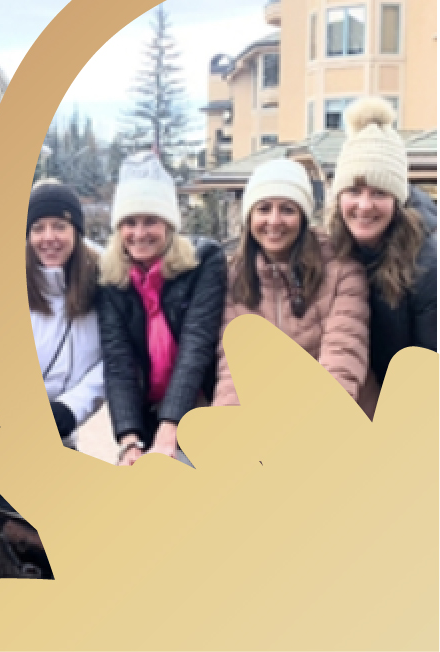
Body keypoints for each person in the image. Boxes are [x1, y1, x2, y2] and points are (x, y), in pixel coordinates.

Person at [0, 180, 106, 478]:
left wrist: (68, 410)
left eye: (59, 225)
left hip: (59, 440)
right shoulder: (5, 289)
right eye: (38, 228)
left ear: (77, 231)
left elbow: (109, 362)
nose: (49, 237)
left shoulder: (103, 290)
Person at [213, 158, 375, 415]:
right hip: (271, 424)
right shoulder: (235, 276)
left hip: (335, 420)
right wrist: (227, 425)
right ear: (250, 217)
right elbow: (233, 367)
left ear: (302, 217)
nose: (274, 221)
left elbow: (343, 351)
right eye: (264, 209)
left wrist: (319, 419)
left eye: (287, 209)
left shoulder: (341, 267)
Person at [98, 152, 227, 467]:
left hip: (200, 405)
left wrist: (171, 429)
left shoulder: (204, 261)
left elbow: (196, 344)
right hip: (148, 413)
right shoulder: (111, 277)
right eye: (130, 222)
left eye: (150, 221)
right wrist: (129, 440)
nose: (139, 233)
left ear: (169, 225)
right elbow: (119, 362)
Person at [328, 97, 436, 403]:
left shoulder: (428, 265)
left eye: (379, 193)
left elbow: (430, 364)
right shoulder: (328, 252)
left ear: (397, 201)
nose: (364, 206)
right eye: (353, 191)